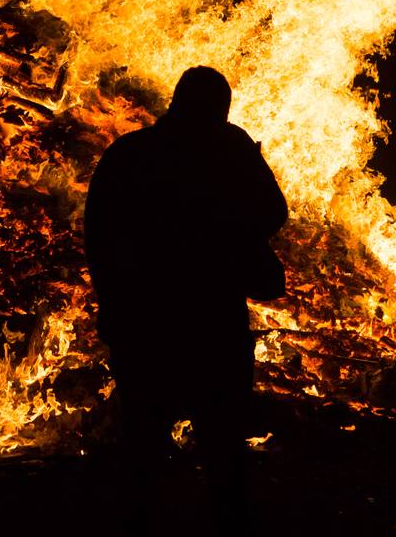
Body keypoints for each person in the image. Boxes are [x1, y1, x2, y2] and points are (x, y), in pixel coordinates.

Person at [83, 66, 289, 532]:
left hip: (143, 321)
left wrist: (112, 304)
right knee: (222, 444)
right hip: (212, 321)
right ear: (221, 109)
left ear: (174, 103)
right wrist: (231, 237)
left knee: (143, 442)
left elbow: (99, 237)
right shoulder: (229, 148)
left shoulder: (129, 154)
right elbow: (274, 212)